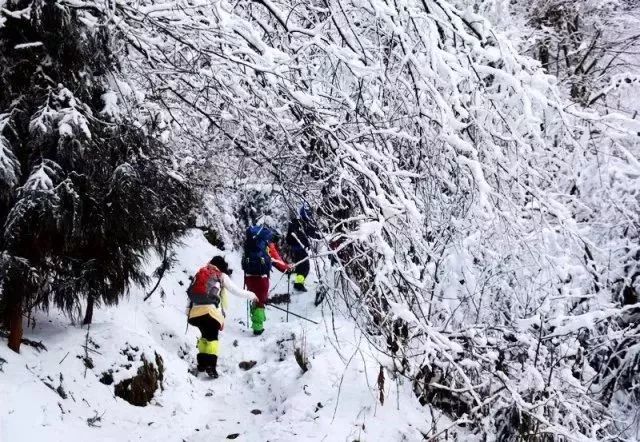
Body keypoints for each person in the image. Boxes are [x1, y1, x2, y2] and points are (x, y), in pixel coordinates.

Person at [187, 255, 258, 378]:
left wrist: (188, 310)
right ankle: (211, 366)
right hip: (210, 312)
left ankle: (202, 364)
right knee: (213, 339)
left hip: (195, 313)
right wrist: (253, 295)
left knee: (204, 337)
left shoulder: (200, 273)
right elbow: (237, 291)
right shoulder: (220, 275)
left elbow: (191, 293)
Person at [242, 225, 292, 335]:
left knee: (255, 300)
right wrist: (286, 268)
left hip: (249, 277)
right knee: (260, 303)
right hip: (261, 278)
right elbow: (275, 260)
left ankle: (256, 323)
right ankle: (258, 328)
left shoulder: (249, 243)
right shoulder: (267, 245)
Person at [286, 204, 321, 292]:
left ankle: (298, 283)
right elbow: (314, 235)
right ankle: (298, 285)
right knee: (305, 268)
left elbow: (288, 238)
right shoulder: (305, 224)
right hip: (301, 250)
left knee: (301, 268)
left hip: (295, 249)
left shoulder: (295, 222)